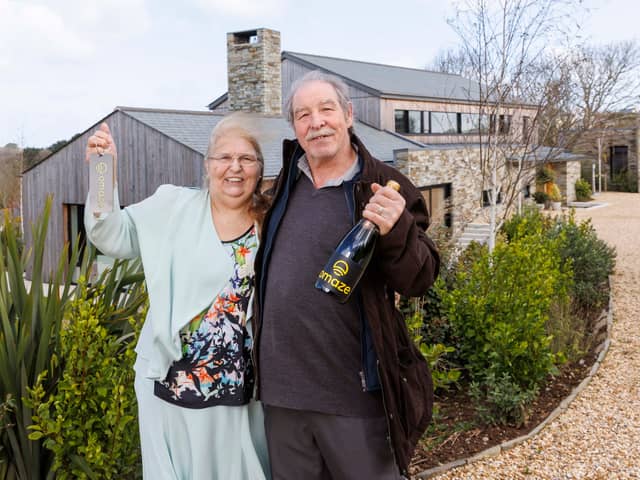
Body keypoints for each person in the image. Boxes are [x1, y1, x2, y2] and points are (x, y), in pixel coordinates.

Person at [253, 70, 441, 480]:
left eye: (326, 109)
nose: (316, 122)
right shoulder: (286, 184)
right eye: (303, 114)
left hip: (354, 397)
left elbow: (421, 278)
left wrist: (398, 230)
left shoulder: (384, 187)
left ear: (349, 114)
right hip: (283, 399)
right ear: (295, 128)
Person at [84, 115, 271, 480]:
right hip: (170, 384)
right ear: (207, 164)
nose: (234, 168)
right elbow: (111, 236)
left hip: (242, 393)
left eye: (246, 159)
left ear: (259, 168)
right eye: (223, 157)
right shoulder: (172, 207)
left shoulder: (273, 221)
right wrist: (102, 172)